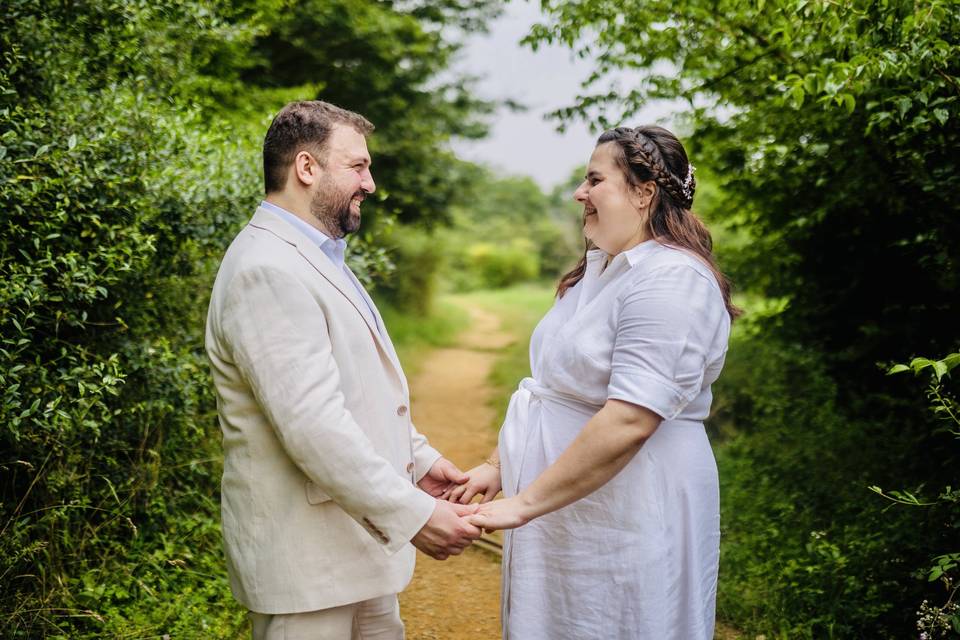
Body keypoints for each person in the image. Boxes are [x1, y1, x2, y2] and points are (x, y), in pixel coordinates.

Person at [446, 126, 738, 639]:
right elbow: (555, 386)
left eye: (594, 180)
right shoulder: (599, 271)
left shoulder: (671, 280)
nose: (580, 193)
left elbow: (630, 420)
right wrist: (499, 467)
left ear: (644, 192)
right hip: (569, 505)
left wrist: (523, 503)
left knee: (618, 621)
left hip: (629, 506)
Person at [205, 100, 480, 640]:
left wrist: (417, 458)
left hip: (355, 554)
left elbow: (354, 391)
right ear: (307, 168)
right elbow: (314, 426)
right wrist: (415, 515)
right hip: (307, 566)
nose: (370, 183)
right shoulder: (266, 269)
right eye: (358, 166)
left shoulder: (316, 255)